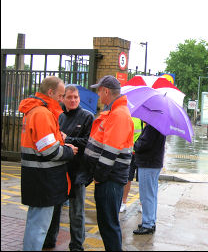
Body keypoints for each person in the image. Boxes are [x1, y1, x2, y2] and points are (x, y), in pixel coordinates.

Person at [18, 76, 78, 251]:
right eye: (60, 96)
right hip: (43, 179)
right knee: (39, 227)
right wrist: (68, 151)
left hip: (37, 177)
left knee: (35, 223)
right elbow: (50, 151)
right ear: (50, 93)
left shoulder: (37, 111)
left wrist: (61, 144)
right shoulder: (42, 114)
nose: (62, 100)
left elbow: (45, 144)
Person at [84, 75, 134, 251]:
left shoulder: (119, 114)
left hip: (109, 179)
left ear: (106, 91)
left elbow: (110, 152)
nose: (98, 95)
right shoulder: (115, 112)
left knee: (109, 225)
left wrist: (98, 176)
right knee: (107, 223)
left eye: (99, 90)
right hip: (109, 178)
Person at [43, 85, 94, 251]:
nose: (73, 100)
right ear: (63, 99)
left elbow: (88, 143)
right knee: (55, 207)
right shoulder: (59, 117)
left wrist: (67, 139)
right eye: (69, 97)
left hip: (78, 171)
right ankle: (50, 240)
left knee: (77, 211)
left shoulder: (87, 117)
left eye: (76, 97)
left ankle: (77, 245)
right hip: (59, 170)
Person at [133, 123, 166, 235]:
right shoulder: (159, 124)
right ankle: (150, 221)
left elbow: (144, 144)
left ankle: (147, 224)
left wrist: (135, 145)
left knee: (146, 195)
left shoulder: (152, 125)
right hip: (154, 163)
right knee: (151, 194)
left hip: (148, 163)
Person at [120, 117, 144, 213]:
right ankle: (123, 202)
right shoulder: (128, 116)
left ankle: (142, 204)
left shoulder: (144, 119)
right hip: (129, 152)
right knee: (127, 179)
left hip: (140, 154)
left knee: (142, 180)